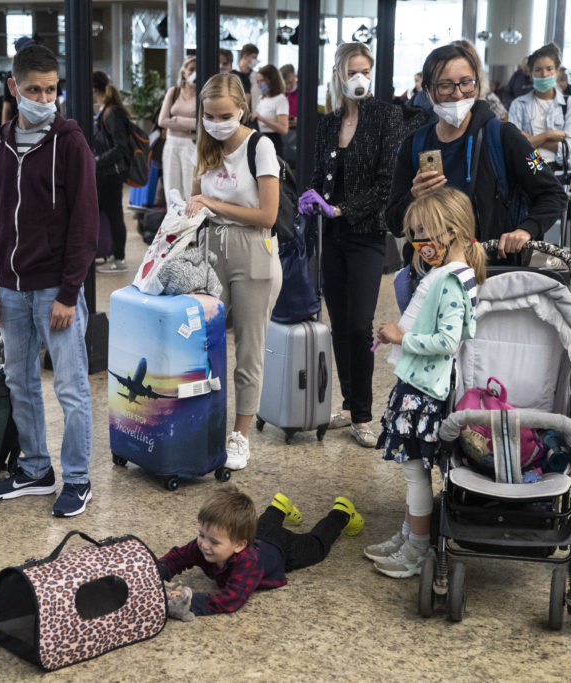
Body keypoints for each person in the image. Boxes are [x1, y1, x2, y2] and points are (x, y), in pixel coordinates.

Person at [0, 44, 98, 517]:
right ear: (14, 88)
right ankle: (34, 469)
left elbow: (85, 226)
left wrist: (69, 293)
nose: (44, 98)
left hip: (55, 289)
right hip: (10, 289)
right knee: (19, 381)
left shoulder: (70, 143)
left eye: (51, 90)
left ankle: (79, 479)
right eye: (34, 89)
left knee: (70, 387)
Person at [370, 186, 485, 578]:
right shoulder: (445, 275)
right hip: (417, 386)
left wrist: (402, 337)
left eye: (423, 232)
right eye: (414, 233)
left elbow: (448, 342)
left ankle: (417, 549)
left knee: (414, 470)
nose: (418, 242)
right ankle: (407, 534)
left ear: (451, 232)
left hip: (424, 392)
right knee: (410, 467)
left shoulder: (450, 282)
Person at [298, 42, 408, 448]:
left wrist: (340, 209)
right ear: (339, 74)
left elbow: (386, 183)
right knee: (339, 325)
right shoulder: (328, 123)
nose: (359, 78)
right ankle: (348, 405)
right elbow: (318, 173)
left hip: (365, 235)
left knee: (360, 325)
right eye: (352, 71)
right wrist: (311, 197)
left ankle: (364, 414)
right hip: (334, 237)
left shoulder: (386, 116)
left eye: (366, 70)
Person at [387, 43, 566, 260]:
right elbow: (395, 223)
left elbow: (553, 194)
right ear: (427, 92)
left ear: (477, 85)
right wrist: (412, 196)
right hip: (430, 274)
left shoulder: (502, 136)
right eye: (445, 86)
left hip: (489, 273)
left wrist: (527, 229)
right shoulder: (413, 146)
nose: (458, 94)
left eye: (466, 83)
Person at [184, 73, 282, 470]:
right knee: (198, 342)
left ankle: (240, 435)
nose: (217, 121)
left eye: (225, 114)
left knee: (248, 349)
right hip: (209, 248)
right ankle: (198, 424)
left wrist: (212, 203)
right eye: (209, 114)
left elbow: (268, 214)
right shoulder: (205, 145)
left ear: (242, 108)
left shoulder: (261, 146)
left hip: (252, 249)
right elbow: (194, 200)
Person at [156, 485, 363, 617]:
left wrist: (190, 600)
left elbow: (232, 599)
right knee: (263, 524)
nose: (203, 544)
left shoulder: (247, 562)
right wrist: (158, 571)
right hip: (260, 534)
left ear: (239, 545)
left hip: (283, 549)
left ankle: (340, 514)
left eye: (213, 542)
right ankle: (280, 506)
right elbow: (179, 557)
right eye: (201, 535)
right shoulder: (207, 543)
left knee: (316, 546)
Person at [508, 44, 571, 173]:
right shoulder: (518, 104)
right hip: (531, 168)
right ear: (531, 74)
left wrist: (532, 139)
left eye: (549, 69)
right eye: (538, 70)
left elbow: (570, 147)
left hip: (562, 170)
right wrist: (549, 135)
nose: (544, 74)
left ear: (557, 71)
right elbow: (515, 145)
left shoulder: (570, 103)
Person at [91, 71, 132, 274]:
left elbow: (120, 147)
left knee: (115, 215)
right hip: (105, 173)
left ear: (93, 90)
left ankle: (120, 258)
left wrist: (97, 161)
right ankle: (105, 254)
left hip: (111, 174)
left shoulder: (112, 113)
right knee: (100, 213)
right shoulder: (104, 110)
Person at [157, 55, 198, 200]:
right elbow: (162, 121)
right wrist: (189, 124)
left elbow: (200, 124)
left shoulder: (201, 95)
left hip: (191, 145)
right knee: (172, 189)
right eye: (191, 69)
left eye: (197, 69)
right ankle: (173, 222)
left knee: (190, 190)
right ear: (184, 72)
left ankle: (190, 222)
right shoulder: (174, 92)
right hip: (171, 143)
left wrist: (177, 120)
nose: (194, 73)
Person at [250, 64, 289, 156]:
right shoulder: (261, 98)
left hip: (273, 140)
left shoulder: (280, 99)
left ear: (271, 80)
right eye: (258, 81)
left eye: (262, 81)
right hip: (260, 139)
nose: (259, 84)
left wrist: (262, 119)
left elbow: (283, 129)